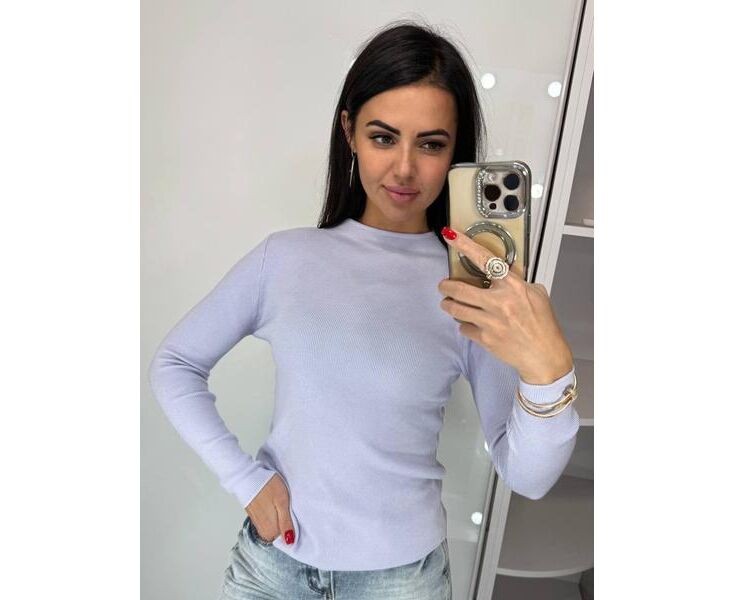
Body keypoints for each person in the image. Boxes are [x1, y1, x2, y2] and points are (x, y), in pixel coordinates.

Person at [148, 19, 580, 600]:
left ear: (456, 152)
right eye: (383, 137)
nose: (404, 168)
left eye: (431, 144)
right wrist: (246, 481)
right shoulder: (286, 259)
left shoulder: (472, 289)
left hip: (401, 582)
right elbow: (174, 364)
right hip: (271, 570)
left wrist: (550, 371)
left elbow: (528, 476)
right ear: (349, 131)